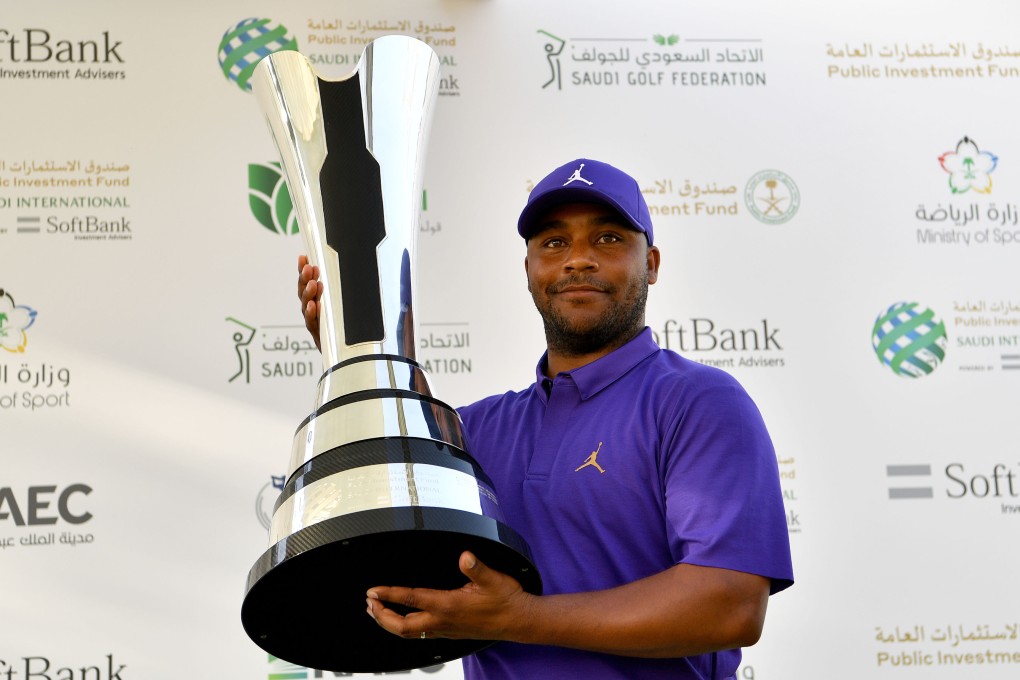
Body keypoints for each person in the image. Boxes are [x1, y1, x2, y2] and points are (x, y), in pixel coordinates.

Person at [297, 158, 794, 679]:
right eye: (554, 242)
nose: (578, 259)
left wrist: (520, 618)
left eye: (607, 239)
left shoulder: (699, 402)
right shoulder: (471, 431)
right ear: (529, 271)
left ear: (651, 263)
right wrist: (354, 354)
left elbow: (731, 604)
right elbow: (383, 536)